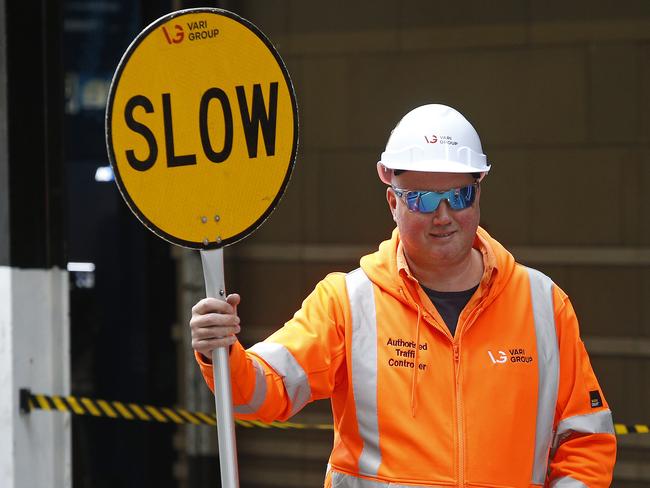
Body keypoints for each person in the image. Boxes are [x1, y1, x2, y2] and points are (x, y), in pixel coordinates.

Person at [190, 104, 616, 487]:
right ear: (393, 201)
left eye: (459, 196)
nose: (444, 216)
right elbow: (259, 394)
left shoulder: (542, 304)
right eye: (424, 200)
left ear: (479, 193)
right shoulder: (348, 302)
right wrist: (222, 353)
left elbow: (587, 440)